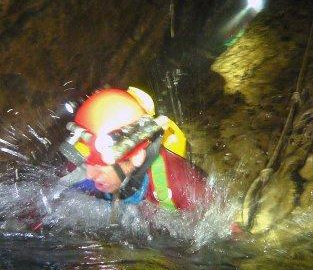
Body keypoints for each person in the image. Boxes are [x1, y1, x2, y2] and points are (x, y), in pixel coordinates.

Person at [59, 87, 211, 212]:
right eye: (86, 160)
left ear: (137, 155)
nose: (90, 174)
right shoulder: (79, 171)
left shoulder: (182, 183)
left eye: (100, 165)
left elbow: (231, 232)